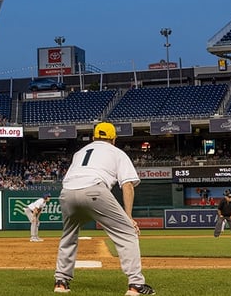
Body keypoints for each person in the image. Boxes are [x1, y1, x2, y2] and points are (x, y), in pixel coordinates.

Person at [54, 122, 155, 295]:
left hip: (67, 193)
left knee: (69, 235)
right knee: (127, 232)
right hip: (94, 189)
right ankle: (136, 285)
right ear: (113, 139)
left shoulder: (80, 153)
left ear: (94, 137)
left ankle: (61, 282)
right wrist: (129, 216)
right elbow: (128, 185)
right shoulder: (117, 152)